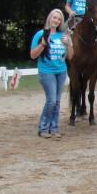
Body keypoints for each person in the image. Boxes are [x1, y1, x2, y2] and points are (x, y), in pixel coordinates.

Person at [30, 9, 72, 139]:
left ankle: (54, 128)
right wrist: (43, 44)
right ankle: (43, 128)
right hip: (46, 72)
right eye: (54, 18)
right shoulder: (40, 34)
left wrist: (69, 44)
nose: (56, 20)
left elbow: (70, 56)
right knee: (51, 101)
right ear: (49, 18)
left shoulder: (63, 35)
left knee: (57, 101)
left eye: (59, 19)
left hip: (61, 71)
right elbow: (33, 55)